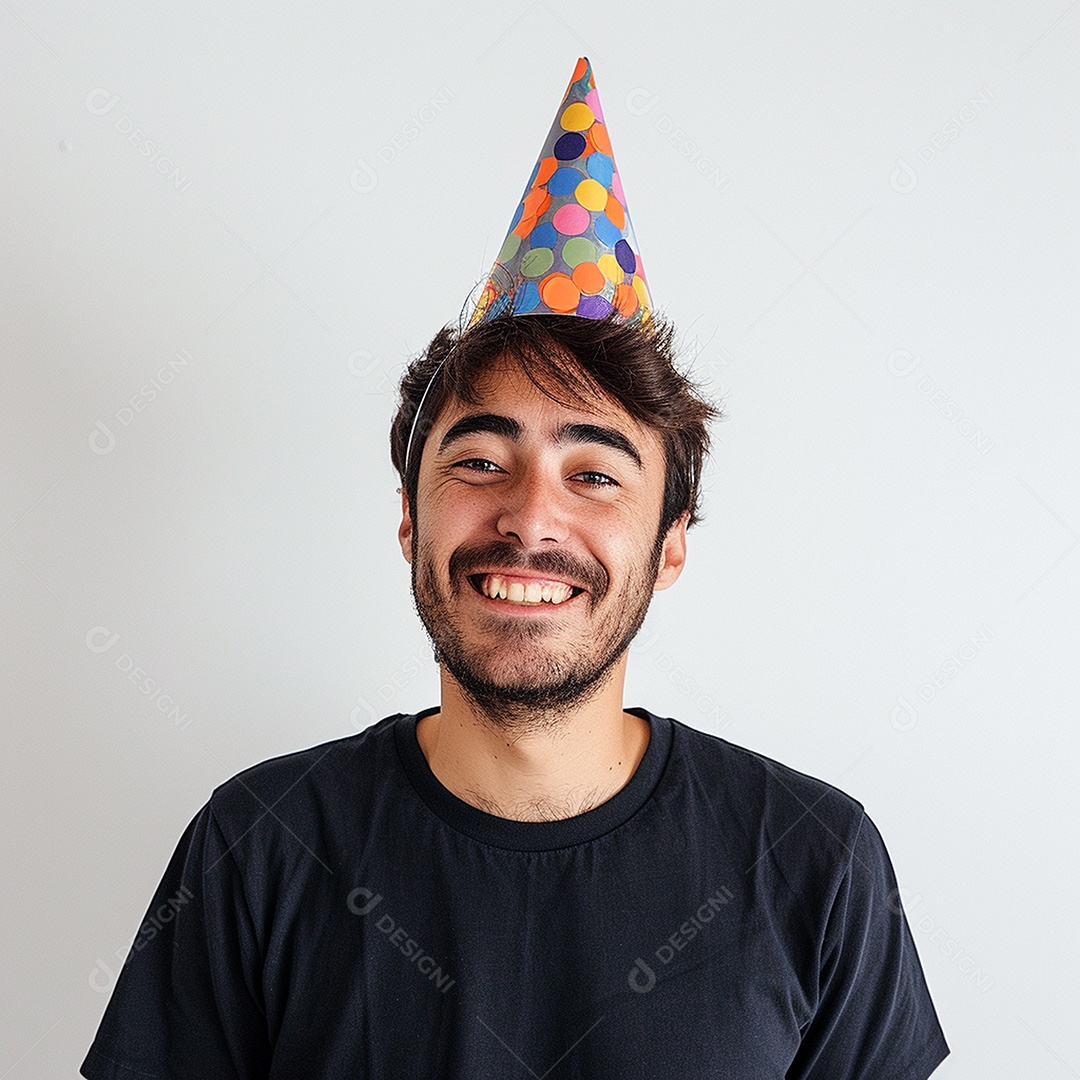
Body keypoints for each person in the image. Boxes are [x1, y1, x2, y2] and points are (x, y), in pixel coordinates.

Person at [81, 58, 949, 1079]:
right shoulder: (257, 845)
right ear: (410, 519)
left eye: (594, 475)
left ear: (670, 544)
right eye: (482, 462)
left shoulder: (814, 860)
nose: (530, 518)